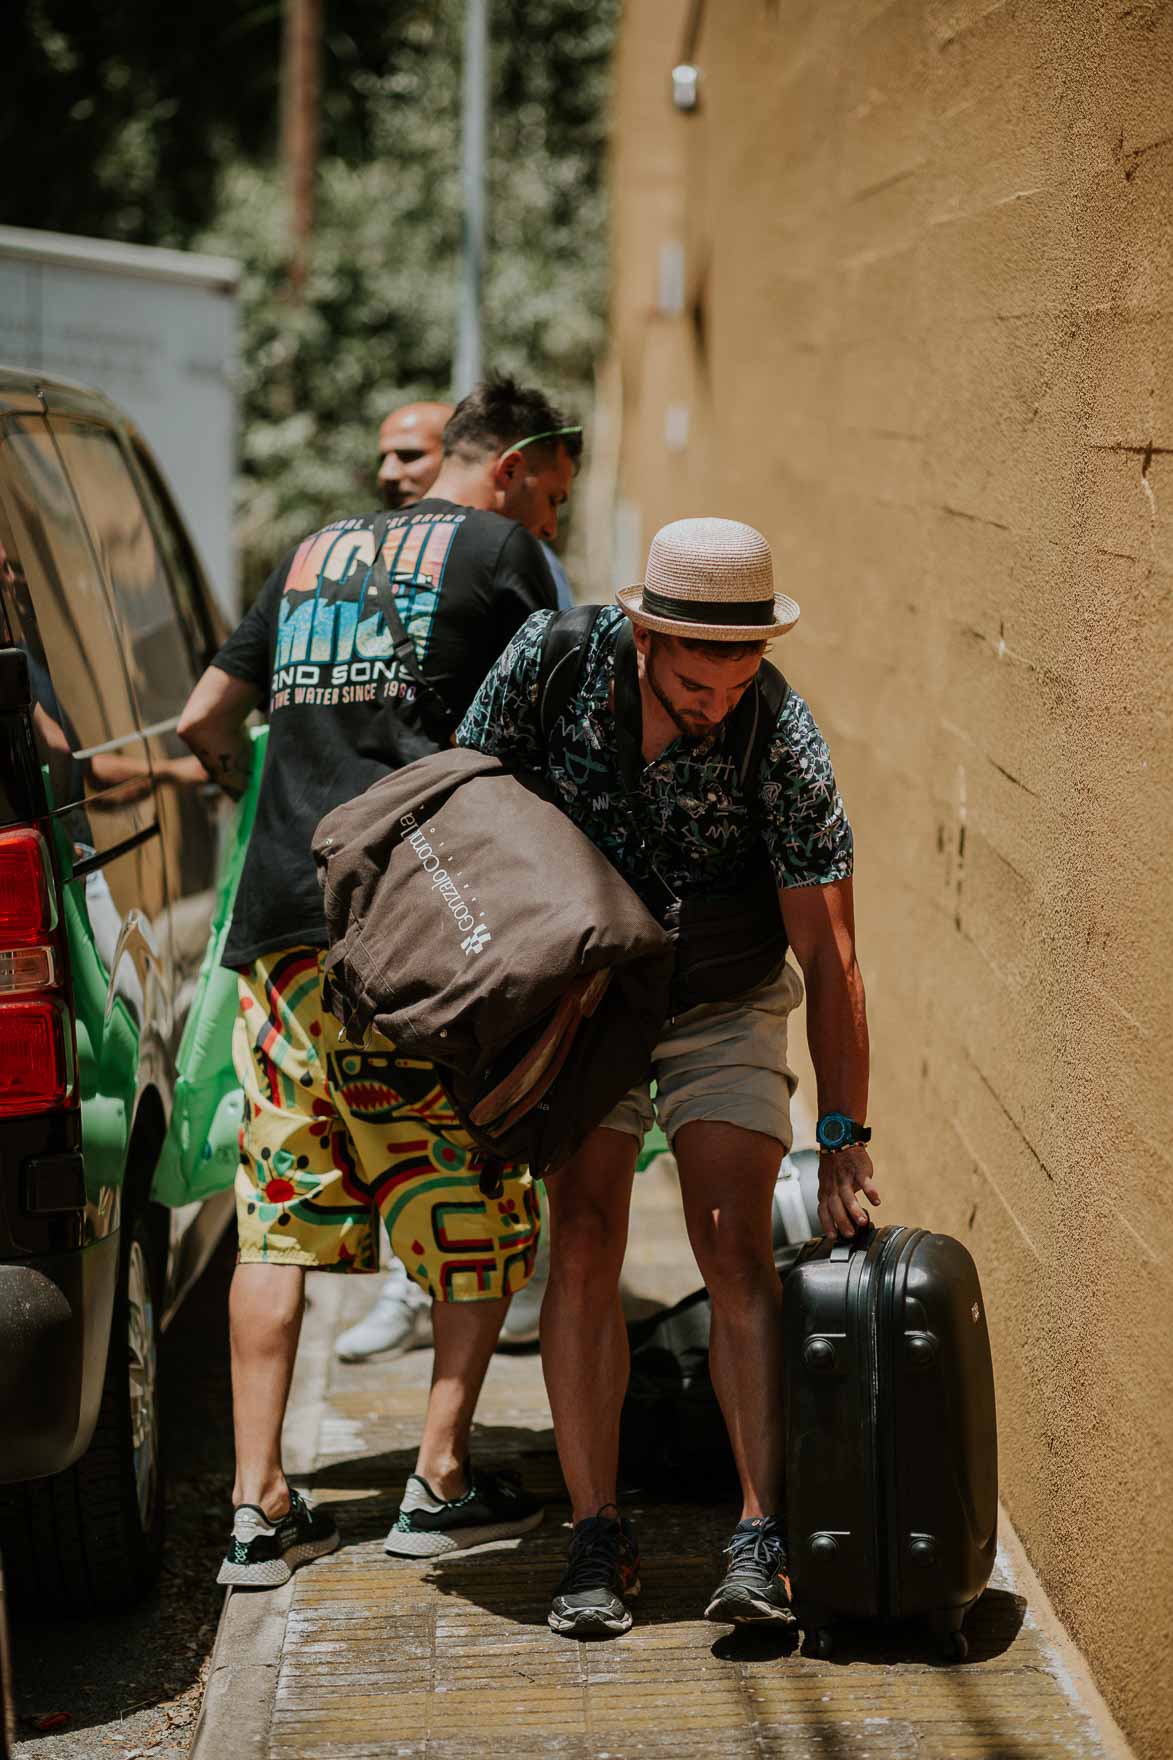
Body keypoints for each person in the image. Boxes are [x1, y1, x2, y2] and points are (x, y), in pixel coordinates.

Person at [177, 376, 583, 1585]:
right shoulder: (500, 549)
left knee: (277, 1212)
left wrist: (259, 784)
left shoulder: (311, 552)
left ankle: (256, 1504)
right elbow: (554, 729)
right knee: (473, 1188)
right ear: (512, 466)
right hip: (426, 939)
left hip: (287, 942)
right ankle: (438, 1477)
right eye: (554, 498)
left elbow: (207, 716)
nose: (552, 527)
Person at [456, 516, 881, 1637]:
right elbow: (461, 805)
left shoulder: (778, 733)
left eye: (740, 676)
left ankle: (758, 1536)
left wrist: (842, 1135)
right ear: (646, 637)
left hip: (720, 995)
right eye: (698, 678)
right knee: (584, 1233)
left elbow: (830, 957)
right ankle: (594, 1531)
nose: (718, 700)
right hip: (586, 993)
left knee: (733, 1238)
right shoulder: (552, 659)